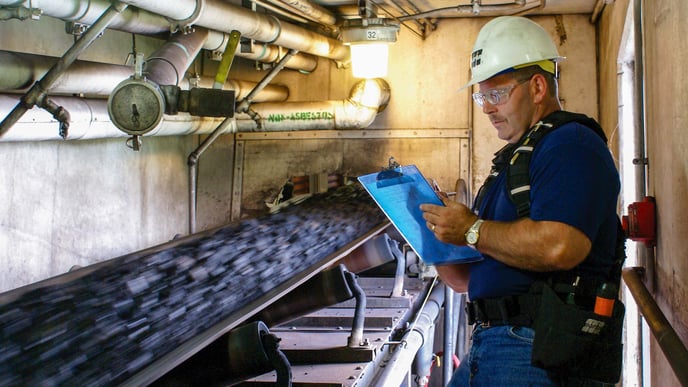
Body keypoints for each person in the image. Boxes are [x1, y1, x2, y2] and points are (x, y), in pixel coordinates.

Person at [420, 16, 622, 386]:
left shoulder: (570, 144)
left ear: (538, 86)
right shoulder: (514, 160)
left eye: (496, 94)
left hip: (533, 348)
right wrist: (432, 232)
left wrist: (471, 229)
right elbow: (464, 280)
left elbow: (562, 246)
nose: (486, 108)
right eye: (481, 96)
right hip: (493, 341)